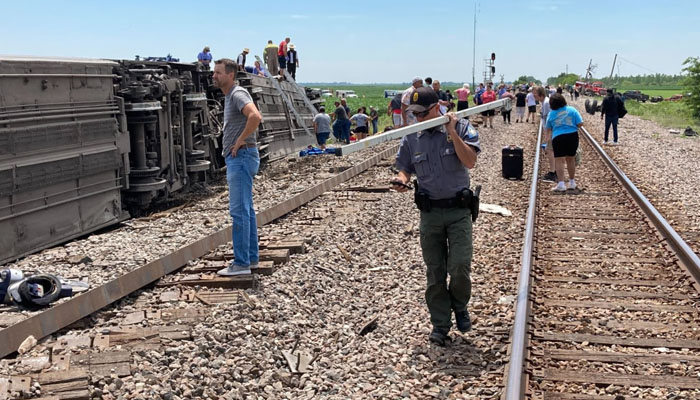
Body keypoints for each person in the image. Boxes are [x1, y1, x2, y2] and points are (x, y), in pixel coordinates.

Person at [391, 87, 481, 346]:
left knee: (460, 266)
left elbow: (471, 161)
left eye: (422, 113)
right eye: (414, 114)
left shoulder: (461, 127)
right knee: (435, 271)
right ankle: (440, 324)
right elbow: (405, 168)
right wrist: (401, 179)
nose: (418, 119)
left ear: (437, 107)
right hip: (430, 213)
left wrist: (451, 132)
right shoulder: (411, 137)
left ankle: (460, 306)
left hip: (458, 210)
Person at [212, 59, 263, 276]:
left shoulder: (236, 94)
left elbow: (255, 116)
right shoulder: (230, 95)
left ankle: (241, 264)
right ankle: (250, 259)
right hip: (243, 157)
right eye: (213, 73)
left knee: (239, 211)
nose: (214, 76)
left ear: (231, 75)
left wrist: (241, 139)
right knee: (246, 210)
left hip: (241, 157)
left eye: (218, 73)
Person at [545, 93, 583, 192]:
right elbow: (580, 124)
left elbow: (548, 128)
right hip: (572, 136)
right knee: (571, 159)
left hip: (558, 137)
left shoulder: (551, 113)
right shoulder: (572, 110)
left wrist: (548, 142)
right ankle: (572, 182)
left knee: (559, 160)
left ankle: (561, 184)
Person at [533, 86, 556, 182]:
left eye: (535, 94)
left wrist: (547, 135)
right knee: (551, 151)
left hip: (551, 131)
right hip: (550, 130)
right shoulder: (544, 102)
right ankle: (554, 171)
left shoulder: (546, 103)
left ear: (541, 95)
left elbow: (548, 119)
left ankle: (553, 173)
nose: (534, 96)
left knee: (550, 151)